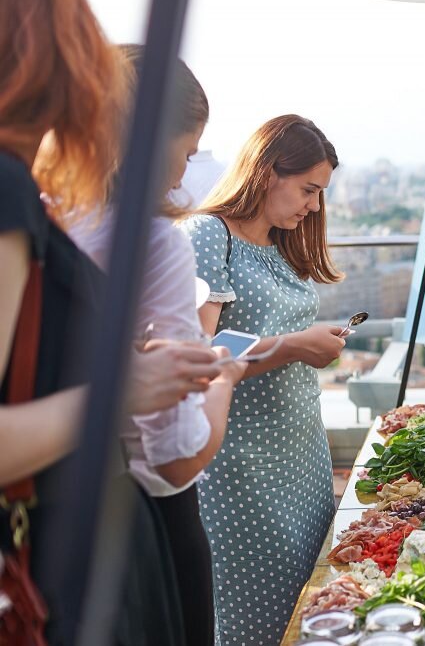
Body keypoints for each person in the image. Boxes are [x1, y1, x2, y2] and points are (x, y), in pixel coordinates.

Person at [0, 0, 227, 643]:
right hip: (73, 549)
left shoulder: (39, 201)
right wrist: (125, 387)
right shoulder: (11, 192)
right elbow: (175, 458)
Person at [65, 44, 247, 646]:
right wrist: (222, 380)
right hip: (149, 527)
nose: (182, 175)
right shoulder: (154, 244)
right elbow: (176, 461)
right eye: (187, 153)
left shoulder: (43, 224)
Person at [181, 114, 346, 645]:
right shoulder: (208, 235)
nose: (314, 206)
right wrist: (295, 345)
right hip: (243, 469)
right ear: (268, 171)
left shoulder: (278, 243)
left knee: (310, 605)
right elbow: (202, 359)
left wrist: (307, 343)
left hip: (302, 458)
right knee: (256, 620)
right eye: (308, 189)